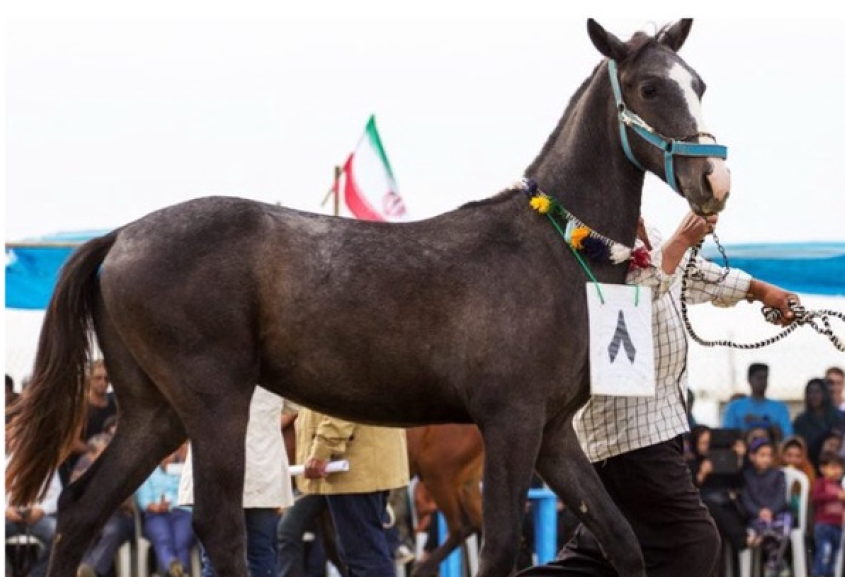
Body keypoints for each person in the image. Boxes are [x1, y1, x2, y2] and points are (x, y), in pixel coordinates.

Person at [516, 211, 801, 577]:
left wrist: (761, 291)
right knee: (693, 541)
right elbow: (628, 294)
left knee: (607, 554)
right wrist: (680, 240)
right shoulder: (583, 232)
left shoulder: (642, 227)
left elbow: (689, 273)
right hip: (628, 431)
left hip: (653, 426)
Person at [279, 407, 409, 576]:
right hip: (359, 461)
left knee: (364, 557)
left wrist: (322, 449)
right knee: (360, 554)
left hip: (352, 464)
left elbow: (345, 399)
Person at [179, 387, 294, 577]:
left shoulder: (205, 365)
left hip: (213, 470)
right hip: (260, 471)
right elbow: (294, 403)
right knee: (259, 553)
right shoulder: (271, 372)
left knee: (215, 557)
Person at [76, 433, 136, 577]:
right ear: (92, 456)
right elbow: (75, 499)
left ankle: (91, 570)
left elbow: (126, 504)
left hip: (118, 517)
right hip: (91, 518)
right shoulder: (82, 470)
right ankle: (83, 569)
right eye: (101, 453)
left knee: (111, 530)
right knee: (82, 530)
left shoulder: (122, 470)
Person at [688, 425, 751, 555]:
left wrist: (739, 459)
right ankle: (741, 538)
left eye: (709, 442)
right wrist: (701, 474)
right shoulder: (691, 464)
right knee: (714, 508)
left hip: (725, 504)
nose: (707, 446)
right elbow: (690, 490)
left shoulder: (721, 459)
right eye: (703, 443)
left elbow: (737, 482)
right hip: (704, 507)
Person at [136, 445, 195, 577]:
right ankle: (175, 568)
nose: (168, 456)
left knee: (182, 540)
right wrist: (157, 507)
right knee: (163, 538)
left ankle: (176, 570)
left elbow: (190, 493)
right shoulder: (148, 472)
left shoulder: (182, 469)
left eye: (171, 453)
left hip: (182, 512)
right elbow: (143, 499)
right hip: (156, 515)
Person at [58, 360, 117, 486]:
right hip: (79, 466)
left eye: (107, 379)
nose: (103, 382)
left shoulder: (114, 407)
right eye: (98, 378)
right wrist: (95, 451)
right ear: (90, 379)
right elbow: (71, 442)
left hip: (107, 467)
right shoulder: (80, 407)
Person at [4, 455, 62, 577]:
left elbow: (58, 495)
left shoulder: (47, 465)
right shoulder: (5, 463)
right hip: (9, 518)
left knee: (58, 533)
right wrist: (6, 510)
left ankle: (36, 574)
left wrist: (41, 510)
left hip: (36, 518)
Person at [741, 438, 791, 577]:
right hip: (757, 517)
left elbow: (781, 497)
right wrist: (759, 512)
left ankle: (773, 564)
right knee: (764, 528)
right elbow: (746, 499)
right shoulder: (746, 476)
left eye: (769, 455)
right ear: (752, 456)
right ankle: (777, 566)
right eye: (762, 455)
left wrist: (770, 511)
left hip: (777, 515)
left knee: (780, 528)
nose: (766, 459)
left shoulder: (779, 475)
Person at [722, 363, 793, 442]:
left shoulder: (780, 408)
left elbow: (788, 437)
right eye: (759, 378)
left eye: (765, 378)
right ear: (749, 380)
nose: (762, 382)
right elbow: (727, 436)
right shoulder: (734, 408)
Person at [792, 378, 845, 473]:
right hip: (811, 468)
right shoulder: (801, 421)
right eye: (810, 392)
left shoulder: (840, 417)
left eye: (817, 392)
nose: (813, 396)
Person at [809, 450, 845, 577]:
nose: (837, 471)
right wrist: (835, 496)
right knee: (824, 553)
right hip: (824, 525)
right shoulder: (820, 483)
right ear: (823, 468)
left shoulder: (840, 487)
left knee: (834, 555)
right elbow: (816, 497)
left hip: (837, 526)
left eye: (840, 468)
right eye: (833, 467)